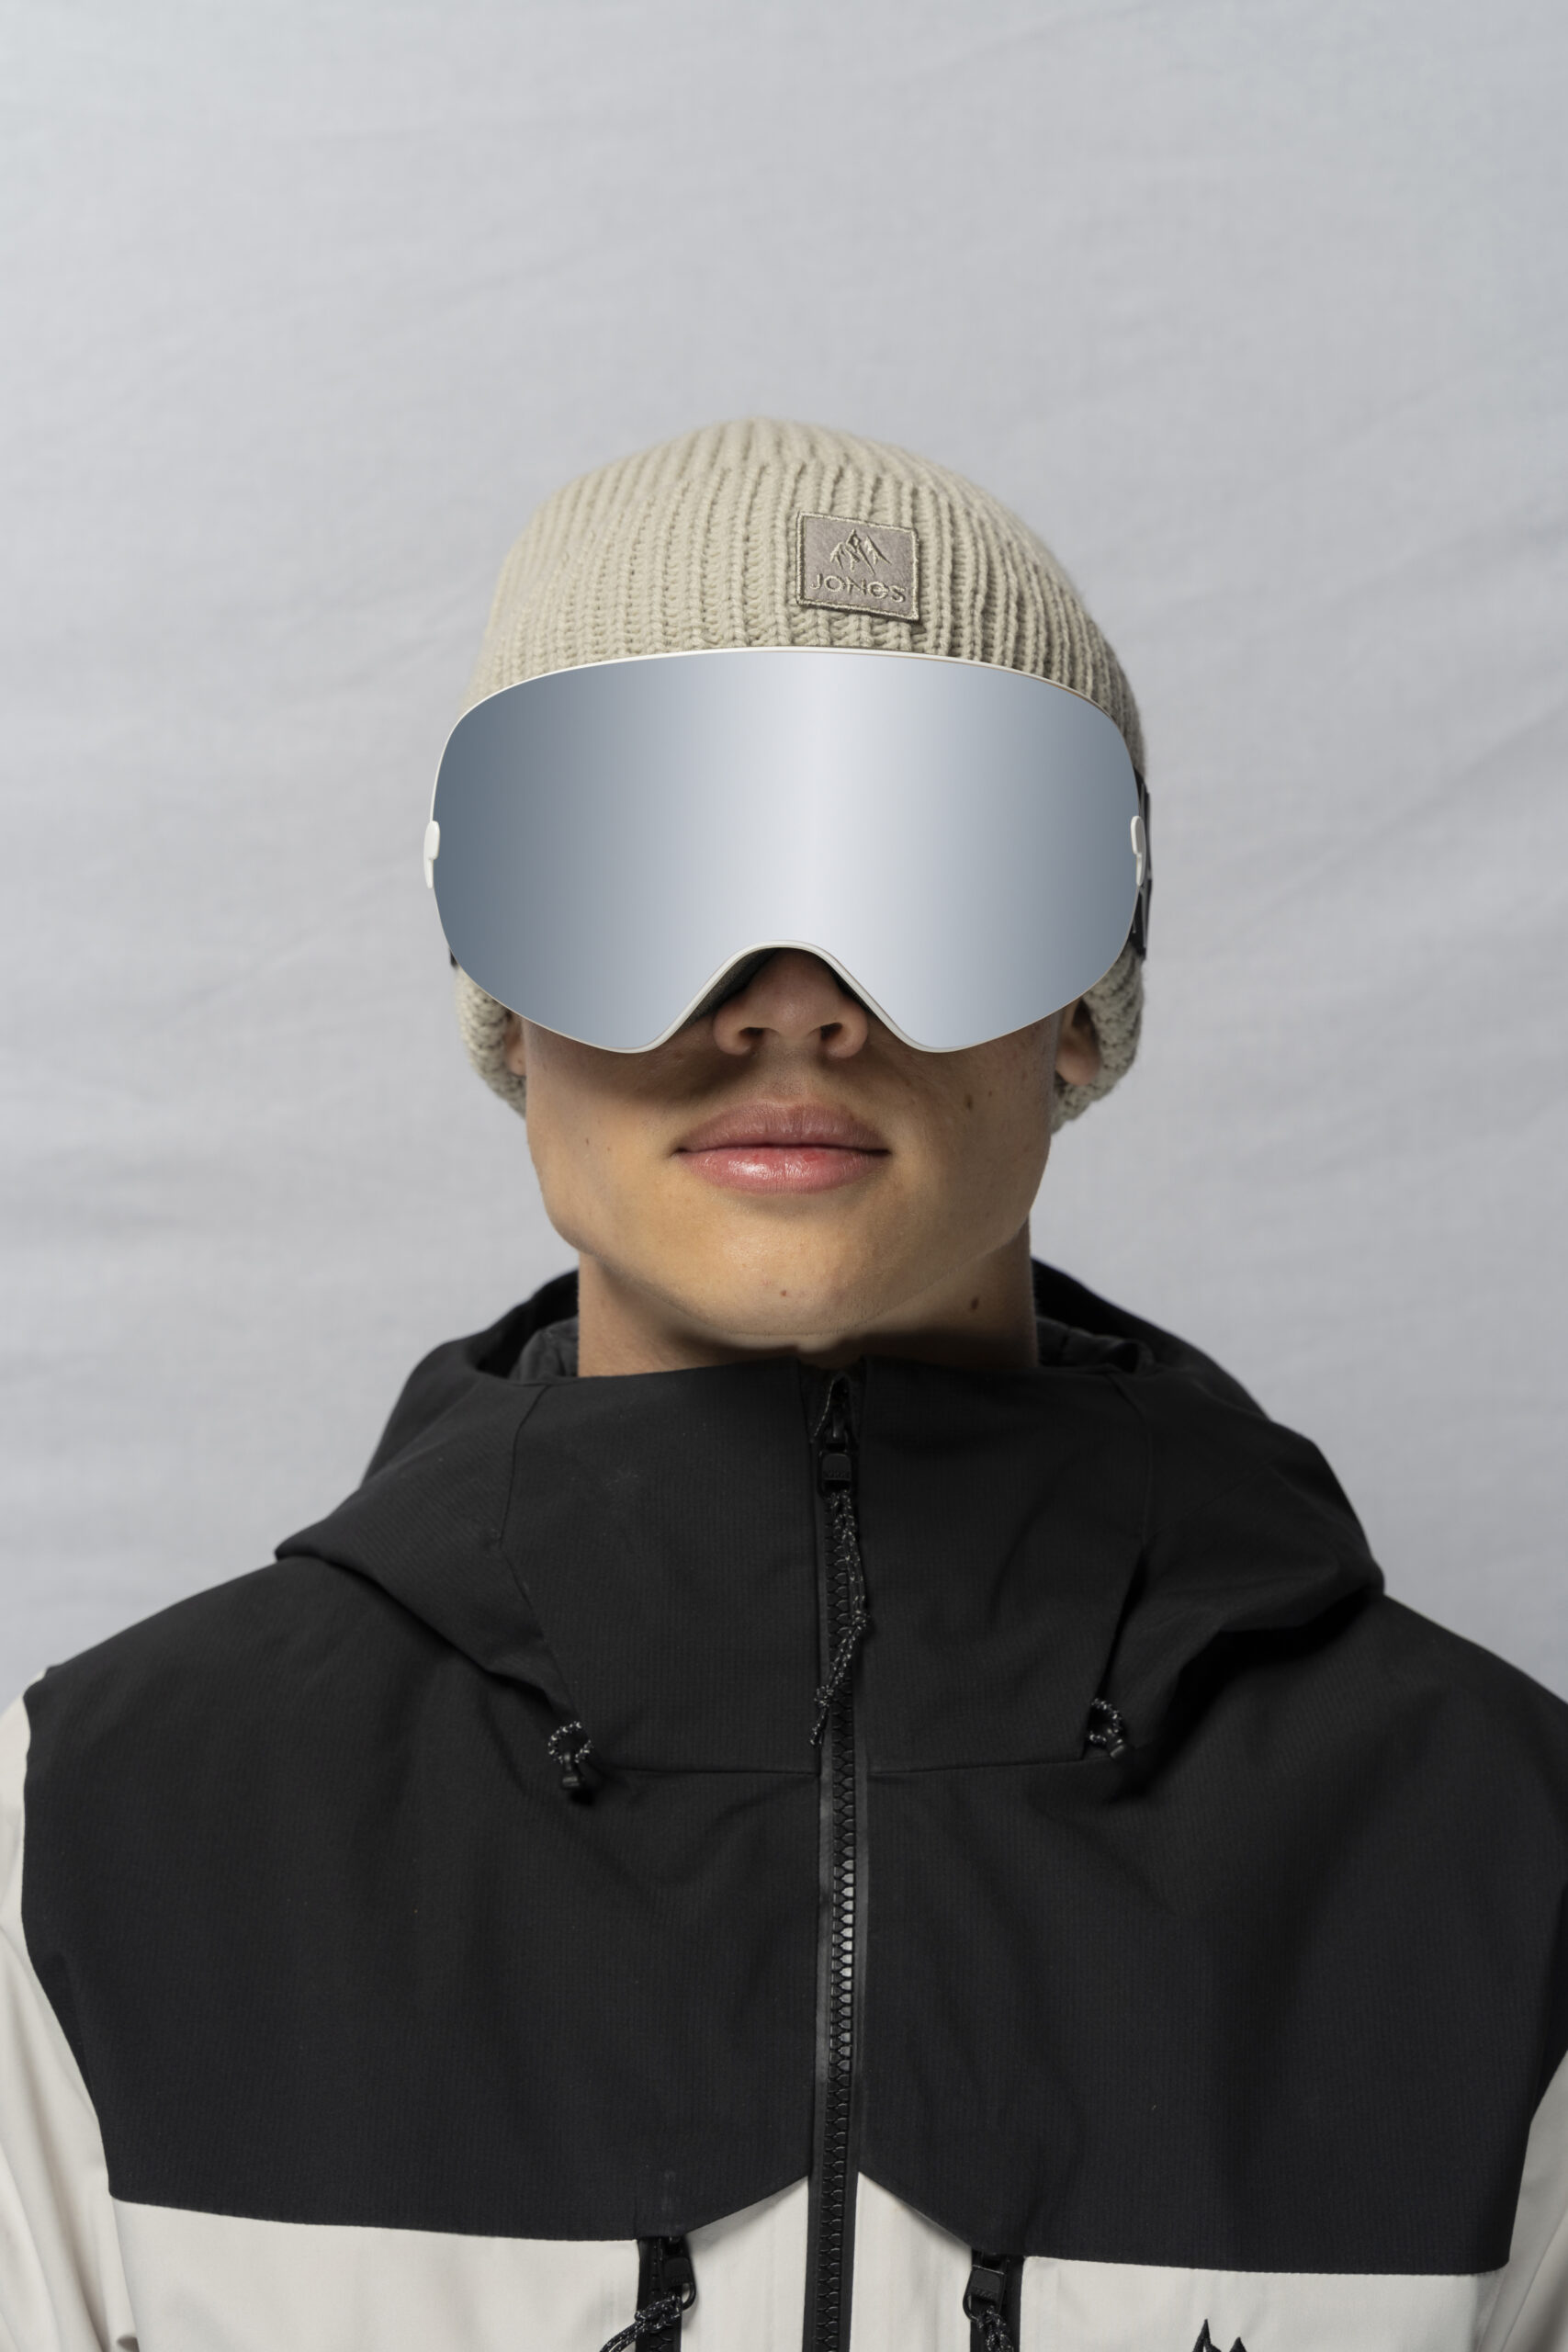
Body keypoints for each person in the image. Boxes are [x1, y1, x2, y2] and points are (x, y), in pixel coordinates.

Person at [3, 419, 1565, 2352]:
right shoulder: (87, 1843)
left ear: (1082, 1006)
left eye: (938, 866)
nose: (794, 997)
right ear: (504, 997)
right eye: (643, 866)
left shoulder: (1506, 1868)